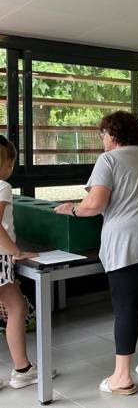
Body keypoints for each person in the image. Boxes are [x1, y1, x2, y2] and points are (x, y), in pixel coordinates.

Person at [55, 111, 138, 396]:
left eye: (102, 134)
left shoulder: (109, 160)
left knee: (126, 307)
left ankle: (122, 377)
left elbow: (94, 204)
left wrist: (72, 209)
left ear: (113, 134)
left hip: (129, 241)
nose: (102, 139)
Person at [0, 136, 40, 391]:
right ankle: (23, 370)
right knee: (16, 308)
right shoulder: (2, 186)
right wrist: (16, 251)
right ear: (8, 163)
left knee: (15, 307)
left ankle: (23, 368)